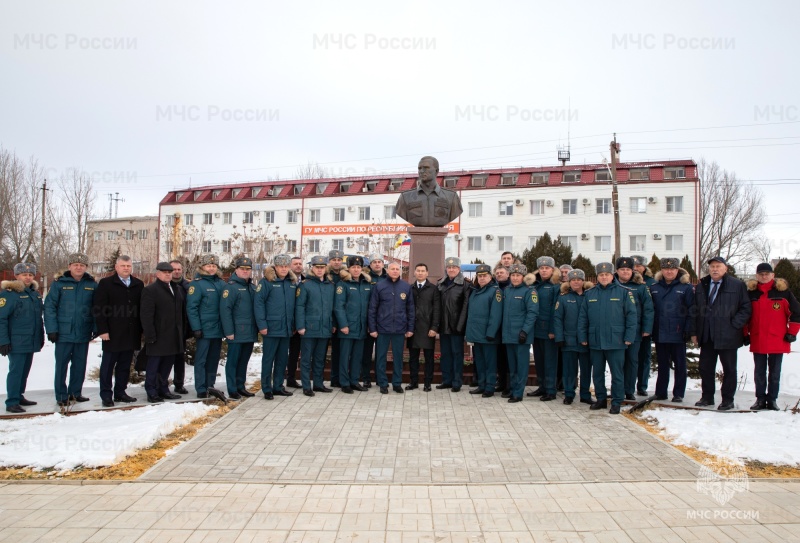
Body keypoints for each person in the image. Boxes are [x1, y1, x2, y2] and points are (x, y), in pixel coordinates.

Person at [691, 256, 752, 410]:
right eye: (712, 267)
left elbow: (746, 308)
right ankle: (707, 397)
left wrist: (734, 325)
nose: (715, 269)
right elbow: (695, 310)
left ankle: (727, 400)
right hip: (707, 335)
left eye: (718, 266)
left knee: (729, 369)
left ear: (726, 268)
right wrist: (695, 331)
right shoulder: (702, 285)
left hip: (728, 336)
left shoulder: (737, 285)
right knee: (705, 368)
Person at [578, 262, 637, 414]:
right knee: (597, 373)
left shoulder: (624, 292)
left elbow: (631, 316)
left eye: (607, 274)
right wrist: (583, 336)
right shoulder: (590, 293)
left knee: (617, 373)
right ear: (597, 276)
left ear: (612, 276)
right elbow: (583, 317)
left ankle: (617, 401)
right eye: (601, 275)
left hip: (616, 341)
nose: (604, 277)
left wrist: (629, 336)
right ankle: (601, 399)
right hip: (595, 340)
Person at [744, 263, 800, 411]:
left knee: (775, 372)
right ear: (757, 276)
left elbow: (796, 312)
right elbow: (745, 315)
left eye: (767, 274)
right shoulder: (751, 294)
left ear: (773, 275)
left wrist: (792, 332)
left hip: (778, 339)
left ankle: (772, 400)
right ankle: (760, 399)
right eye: (761, 274)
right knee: (759, 372)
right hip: (758, 338)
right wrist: (745, 333)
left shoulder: (784, 293)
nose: (764, 276)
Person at [44, 253, 97, 406]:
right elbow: (49, 307)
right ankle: (61, 395)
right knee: (61, 365)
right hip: (63, 332)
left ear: (86, 267)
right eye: (75, 264)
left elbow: (97, 308)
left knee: (80, 364)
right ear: (69, 267)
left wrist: (95, 327)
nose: (78, 267)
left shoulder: (91, 284)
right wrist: (51, 329)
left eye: (82, 265)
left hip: (83, 331)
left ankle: (75, 393)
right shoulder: (59, 284)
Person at [93, 255, 144, 407]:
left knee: (124, 365)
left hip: (131, 333)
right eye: (123, 266)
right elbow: (99, 309)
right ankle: (106, 395)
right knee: (108, 366)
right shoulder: (106, 283)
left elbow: (142, 309)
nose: (126, 268)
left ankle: (120, 392)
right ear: (116, 267)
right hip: (112, 333)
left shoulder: (138, 284)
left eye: (128, 266)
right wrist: (102, 330)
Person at [0, 262, 44, 413]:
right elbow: (2, 318)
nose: (28, 277)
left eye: (31, 275)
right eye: (24, 274)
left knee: (25, 371)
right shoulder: (9, 294)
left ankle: (19, 396)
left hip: (30, 340)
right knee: (16, 371)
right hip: (16, 341)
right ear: (16, 275)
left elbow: (38, 318)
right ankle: (11, 401)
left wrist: (40, 337)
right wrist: (3, 341)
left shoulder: (33, 294)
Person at [140, 262, 186, 403]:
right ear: (157, 273)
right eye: (164, 272)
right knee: (154, 366)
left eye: (169, 272)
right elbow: (146, 315)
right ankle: (152, 391)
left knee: (167, 365)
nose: (167, 274)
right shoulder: (151, 290)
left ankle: (164, 389)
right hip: (158, 336)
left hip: (173, 336)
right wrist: (150, 335)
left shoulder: (175, 288)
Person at [650, 258, 694, 402]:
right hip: (660, 332)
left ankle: (678, 393)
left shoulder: (686, 288)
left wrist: (688, 329)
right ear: (661, 270)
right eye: (666, 269)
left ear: (678, 270)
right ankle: (661, 392)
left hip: (678, 332)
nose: (669, 272)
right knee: (662, 364)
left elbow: (691, 310)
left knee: (680, 365)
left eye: (672, 269)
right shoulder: (654, 287)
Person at [255, 254, 297, 400]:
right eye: (281, 266)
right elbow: (258, 304)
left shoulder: (292, 282)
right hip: (271, 328)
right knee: (268, 359)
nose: (284, 269)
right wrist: (262, 325)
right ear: (275, 267)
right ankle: (266, 388)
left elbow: (295, 306)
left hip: (286, 328)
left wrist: (293, 324)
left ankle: (278, 386)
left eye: (286, 266)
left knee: (282, 359)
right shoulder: (266, 282)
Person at [368, 261, 415, 393]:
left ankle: (397, 383)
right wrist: (373, 329)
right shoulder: (379, 286)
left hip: (400, 329)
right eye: (392, 269)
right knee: (381, 357)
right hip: (382, 328)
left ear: (400, 271)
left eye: (397, 269)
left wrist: (410, 328)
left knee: (398, 358)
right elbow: (372, 309)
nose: (395, 271)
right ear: (387, 271)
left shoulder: (406, 287)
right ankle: (383, 383)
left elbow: (410, 309)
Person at [186, 254, 227, 401]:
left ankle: (210, 385)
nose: (211, 268)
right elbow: (192, 308)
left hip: (218, 329)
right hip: (204, 330)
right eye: (209, 266)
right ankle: (201, 388)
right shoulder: (197, 284)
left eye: (214, 266)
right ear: (202, 267)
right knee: (201, 360)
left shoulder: (221, 284)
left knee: (213, 359)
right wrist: (196, 327)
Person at [614, 257, 654, 401]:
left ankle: (629, 390)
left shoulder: (641, 287)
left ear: (632, 271)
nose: (625, 272)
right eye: (622, 269)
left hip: (634, 330)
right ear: (617, 271)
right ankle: (617, 389)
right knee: (617, 362)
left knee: (632, 361)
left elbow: (648, 309)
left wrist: (647, 328)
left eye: (628, 270)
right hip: (616, 330)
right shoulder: (612, 285)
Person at [296, 255, 335, 396]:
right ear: (312, 268)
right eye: (317, 267)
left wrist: (333, 323)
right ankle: (306, 386)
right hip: (309, 327)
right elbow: (299, 306)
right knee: (306, 359)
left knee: (320, 358)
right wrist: (300, 326)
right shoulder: (305, 285)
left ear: (326, 268)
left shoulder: (329, 285)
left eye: (322, 267)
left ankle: (318, 384)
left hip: (325, 327)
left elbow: (333, 307)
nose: (320, 270)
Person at [553, 269, 593, 405]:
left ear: (583, 281)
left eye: (579, 279)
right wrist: (559, 337)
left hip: (585, 341)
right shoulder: (563, 298)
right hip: (568, 340)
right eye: (573, 280)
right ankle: (569, 393)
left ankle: (585, 394)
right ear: (569, 282)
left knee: (586, 369)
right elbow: (557, 319)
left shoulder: (589, 296)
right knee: (569, 369)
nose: (576, 282)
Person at [333, 256, 373, 393]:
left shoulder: (367, 284)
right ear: (349, 268)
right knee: (344, 356)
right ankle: (344, 383)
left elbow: (371, 307)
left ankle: (354, 381)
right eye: (353, 267)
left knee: (357, 356)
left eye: (358, 267)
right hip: (347, 327)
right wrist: (343, 325)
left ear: (362, 268)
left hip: (361, 327)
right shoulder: (343, 284)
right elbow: (339, 307)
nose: (356, 270)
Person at [221, 257, 258, 400]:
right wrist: (229, 332)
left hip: (249, 332)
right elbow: (225, 310)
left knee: (244, 361)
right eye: (242, 269)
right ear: (236, 270)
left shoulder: (252, 287)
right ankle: (232, 389)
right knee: (233, 362)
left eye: (248, 269)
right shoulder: (230, 287)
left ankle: (241, 386)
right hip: (236, 333)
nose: (245, 271)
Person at [464, 264, 503, 397]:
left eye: (484, 276)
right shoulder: (475, 291)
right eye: (479, 276)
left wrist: (491, 333)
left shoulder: (495, 291)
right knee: (479, 362)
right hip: (476, 334)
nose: (481, 278)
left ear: (490, 277)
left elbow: (496, 315)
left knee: (489, 363)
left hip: (488, 336)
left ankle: (490, 387)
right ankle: (481, 385)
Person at [501, 264, 538, 403]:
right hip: (508, 335)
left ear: (523, 277)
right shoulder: (507, 291)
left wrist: (525, 331)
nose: (515, 278)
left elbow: (532, 313)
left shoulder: (529, 291)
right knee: (512, 365)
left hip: (521, 335)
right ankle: (513, 388)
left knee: (521, 366)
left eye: (518, 275)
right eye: (513, 275)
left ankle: (518, 392)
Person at [396, 156, 463, 227]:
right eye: (420, 168)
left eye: (426, 168)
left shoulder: (451, 197)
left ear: (436, 171)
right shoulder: (405, 197)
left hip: (439, 235)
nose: (422, 171)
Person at [528, 256, 560, 401]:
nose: (544, 270)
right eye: (541, 268)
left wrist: (553, 330)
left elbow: (556, 310)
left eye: (547, 268)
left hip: (549, 331)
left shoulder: (556, 286)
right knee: (539, 361)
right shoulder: (536, 285)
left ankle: (551, 390)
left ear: (552, 270)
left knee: (550, 362)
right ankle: (542, 387)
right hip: (536, 329)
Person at [436, 257, 470, 391]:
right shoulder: (441, 283)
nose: (451, 269)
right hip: (444, 325)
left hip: (457, 326)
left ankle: (457, 382)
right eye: (449, 267)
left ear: (459, 269)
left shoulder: (465, 284)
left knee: (457, 355)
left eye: (454, 267)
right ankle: (447, 380)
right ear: (446, 268)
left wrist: (460, 326)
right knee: (445, 354)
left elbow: (465, 306)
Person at [406, 263, 441, 391]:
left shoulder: (433, 289)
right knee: (413, 358)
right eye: (418, 271)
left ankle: (427, 383)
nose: (420, 273)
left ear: (427, 273)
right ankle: (413, 381)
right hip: (413, 329)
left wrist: (434, 327)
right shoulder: (410, 288)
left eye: (423, 271)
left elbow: (437, 310)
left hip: (428, 329)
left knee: (429, 358)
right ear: (414, 273)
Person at [361, 253, 387, 387]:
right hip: (368, 319)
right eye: (374, 262)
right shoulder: (365, 278)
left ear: (383, 264)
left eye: (379, 261)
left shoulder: (388, 278)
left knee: (381, 352)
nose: (377, 264)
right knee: (367, 351)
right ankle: (366, 377)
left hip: (383, 320)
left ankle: (379, 377)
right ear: (370, 265)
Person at [632, 255, 657, 395]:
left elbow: (651, 307)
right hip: (630, 328)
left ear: (644, 267)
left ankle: (642, 386)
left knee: (644, 358)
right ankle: (627, 386)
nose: (636, 268)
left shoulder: (651, 283)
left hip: (644, 327)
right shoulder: (625, 282)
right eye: (633, 266)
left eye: (638, 266)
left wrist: (647, 328)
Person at [169, 259, 190, 395]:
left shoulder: (187, 286)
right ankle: (162, 384)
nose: (176, 272)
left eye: (179, 269)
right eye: (173, 269)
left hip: (182, 328)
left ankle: (179, 384)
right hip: (167, 329)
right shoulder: (165, 285)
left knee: (179, 359)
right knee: (165, 359)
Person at [286, 256, 306, 388]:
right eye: (295, 264)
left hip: (301, 324)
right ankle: (279, 378)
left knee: (295, 353)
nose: (298, 266)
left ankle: (291, 378)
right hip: (286, 323)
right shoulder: (285, 280)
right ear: (289, 266)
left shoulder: (306, 281)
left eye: (300, 264)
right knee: (283, 354)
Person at [326, 249, 345, 387]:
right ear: (330, 261)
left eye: (339, 260)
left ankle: (339, 378)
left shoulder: (345, 276)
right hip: (328, 318)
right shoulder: (326, 276)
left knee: (340, 350)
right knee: (327, 351)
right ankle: (332, 378)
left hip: (343, 319)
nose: (337, 262)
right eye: (334, 260)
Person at [493, 264, 511, 395]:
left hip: (509, 329)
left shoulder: (510, 288)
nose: (499, 274)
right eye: (497, 273)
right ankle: (502, 383)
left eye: (501, 272)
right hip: (497, 329)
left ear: (508, 274)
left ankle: (509, 386)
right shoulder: (494, 288)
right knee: (499, 358)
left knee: (508, 358)